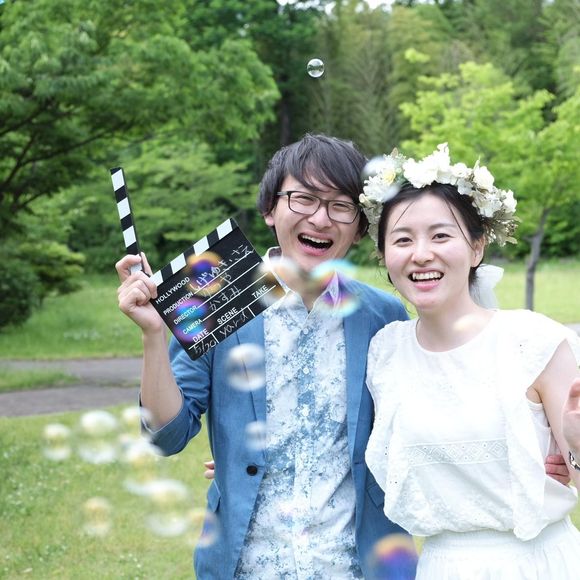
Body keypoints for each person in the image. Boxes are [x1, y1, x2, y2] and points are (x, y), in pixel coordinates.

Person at [116, 134, 412, 579]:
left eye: (341, 206)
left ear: (359, 226)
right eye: (303, 198)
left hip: (355, 567)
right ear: (271, 208)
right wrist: (154, 335)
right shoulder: (214, 300)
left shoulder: (383, 316)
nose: (320, 218)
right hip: (247, 566)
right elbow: (165, 437)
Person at [360, 143, 580, 578]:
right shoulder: (385, 352)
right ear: (384, 256)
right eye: (402, 239)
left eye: (441, 235)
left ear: (477, 247)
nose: (421, 253)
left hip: (539, 563)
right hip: (442, 565)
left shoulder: (533, 341)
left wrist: (577, 445)